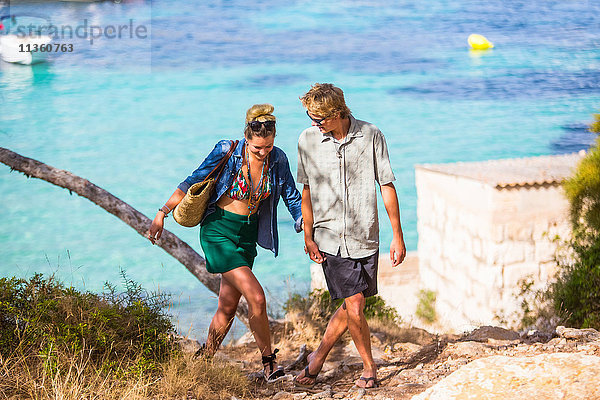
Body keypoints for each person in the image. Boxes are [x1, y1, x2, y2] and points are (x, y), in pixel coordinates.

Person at [147, 104, 302, 383]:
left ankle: (204, 361)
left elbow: (291, 195)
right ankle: (269, 364)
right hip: (218, 231)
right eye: (257, 148)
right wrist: (162, 213)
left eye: (268, 146)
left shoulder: (278, 159)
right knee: (256, 296)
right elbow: (193, 179)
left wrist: (304, 223)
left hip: (247, 236)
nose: (263, 152)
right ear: (246, 137)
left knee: (228, 306)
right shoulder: (227, 150)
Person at [295, 83, 406, 389]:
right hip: (329, 237)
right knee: (355, 303)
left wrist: (398, 235)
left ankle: (316, 358)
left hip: (365, 236)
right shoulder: (307, 140)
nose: (314, 125)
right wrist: (308, 235)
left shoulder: (371, 135)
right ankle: (370, 368)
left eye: (320, 119)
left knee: (351, 307)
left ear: (339, 112)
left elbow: (386, 185)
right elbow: (305, 190)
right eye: (311, 117)